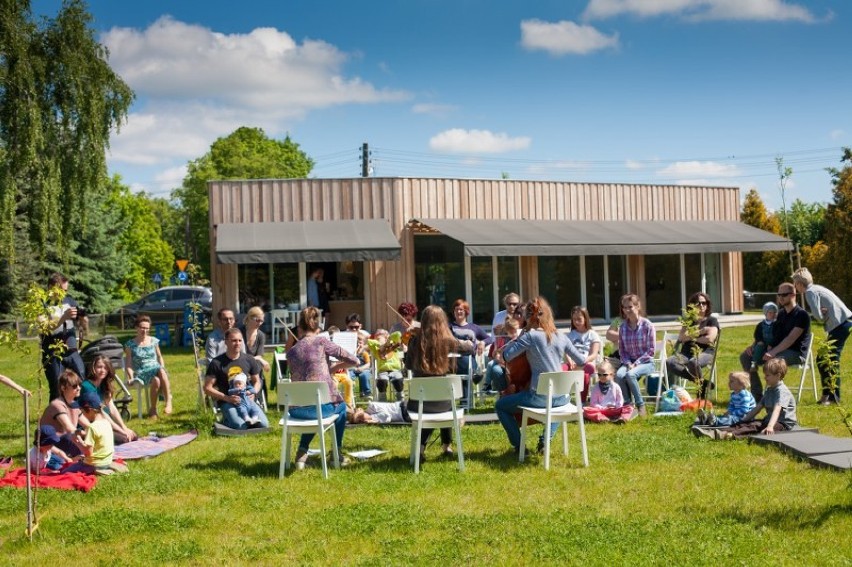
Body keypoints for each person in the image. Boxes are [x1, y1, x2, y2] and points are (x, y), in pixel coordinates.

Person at [496, 297, 585, 455]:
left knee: (500, 406)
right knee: (556, 402)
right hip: (563, 397)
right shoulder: (562, 336)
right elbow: (581, 360)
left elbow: (507, 356)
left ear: (529, 316)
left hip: (539, 397)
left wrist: (522, 335)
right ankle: (545, 441)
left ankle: (520, 446)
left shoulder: (531, 336)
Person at [285, 306, 358, 469]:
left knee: (314, 407)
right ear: (318, 326)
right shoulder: (322, 341)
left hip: (296, 410)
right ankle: (336, 454)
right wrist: (332, 368)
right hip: (318, 407)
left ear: (299, 327)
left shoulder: (290, 352)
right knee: (340, 406)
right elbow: (354, 360)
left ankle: (302, 453)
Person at [404, 305, 474, 461]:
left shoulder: (415, 341)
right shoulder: (448, 341)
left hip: (418, 404)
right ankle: (446, 445)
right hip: (444, 405)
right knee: (446, 399)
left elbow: (408, 365)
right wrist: (464, 340)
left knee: (428, 404)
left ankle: (421, 448)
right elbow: (470, 349)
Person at [739, 282, 810, 402]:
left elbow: (790, 339)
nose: (781, 297)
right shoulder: (781, 314)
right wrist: (754, 346)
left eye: (784, 294)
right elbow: (768, 333)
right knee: (746, 357)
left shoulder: (802, 315)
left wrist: (772, 352)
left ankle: (774, 397)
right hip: (775, 350)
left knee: (773, 361)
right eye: (779, 294)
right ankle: (757, 395)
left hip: (795, 353)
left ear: (793, 295)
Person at [792, 267, 851, 405]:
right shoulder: (817, 288)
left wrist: (819, 313)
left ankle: (833, 397)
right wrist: (822, 311)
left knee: (829, 360)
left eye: (795, 284)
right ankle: (827, 395)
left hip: (840, 325)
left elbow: (818, 317)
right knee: (823, 359)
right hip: (844, 323)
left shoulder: (809, 293)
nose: (796, 288)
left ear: (800, 284)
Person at [204, 328, 270, 430]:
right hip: (227, 402)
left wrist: (254, 392)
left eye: (240, 340)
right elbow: (207, 388)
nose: (237, 343)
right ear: (226, 342)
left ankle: (238, 419)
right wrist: (227, 398)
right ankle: (224, 421)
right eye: (234, 340)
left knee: (264, 425)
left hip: (248, 401)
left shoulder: (249, 359)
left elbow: (257, 381)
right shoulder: (216, 363)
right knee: (240, 426)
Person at [714, 358, 797, 439]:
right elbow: (758, 407)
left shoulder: (782, 392)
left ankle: (729, 435)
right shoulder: (769, 390)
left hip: (782, 423)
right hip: (769, 420)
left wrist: (770, 426)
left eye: (767, 375)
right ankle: (721, 431)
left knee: (755, 427)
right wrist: (744, 420)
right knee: (749, 423)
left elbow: (777, 409)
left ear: (778, 375)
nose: (765, 377)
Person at [40, 272, 85, 400]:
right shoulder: (42, 303)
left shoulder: (69, 300)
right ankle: (54, 417)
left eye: (65, 290)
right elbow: (45, 327)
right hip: (52, 351)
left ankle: (76, 411)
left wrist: (83, 319)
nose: (64, 293)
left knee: (81, 379)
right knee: (57, 386)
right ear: (50, 287)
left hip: (71, 349)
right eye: (61, 290)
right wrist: (63, 317)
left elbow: (80, 321)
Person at [665, 292, 720, 398]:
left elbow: (709, 339)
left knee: (694, 362)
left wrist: (691, 336)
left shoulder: (712, 320)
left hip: (706, 352)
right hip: (686, 352)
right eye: (698, 303)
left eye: (704, 303)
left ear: (707, 305)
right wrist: (701, 332)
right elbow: (681, 338)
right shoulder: (689, 320)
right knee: (670, 362)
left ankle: (701, 393)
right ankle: (702, 383)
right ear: (692, 305)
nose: (701, 306)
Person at [65, 392, 129, 475]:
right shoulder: (106, 423)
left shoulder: (92, 427)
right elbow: (99, 439)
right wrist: (84, 434)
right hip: (106, 462)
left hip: (93, 464)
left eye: (83, 411)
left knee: (65, 471)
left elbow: (88, 453)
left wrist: (77, 441)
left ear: (90, 410)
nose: (83, 415)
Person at [615, 293, 656, 417]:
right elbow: (622, 351)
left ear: (638, 306)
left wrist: (636, 363)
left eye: (630, 307)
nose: (627, 310)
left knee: (630, 374)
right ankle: (628, 406)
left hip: (646, 363)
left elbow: (651, 350)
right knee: (619, 375)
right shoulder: (622, 328)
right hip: (629, 362)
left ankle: (640, 405)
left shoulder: (647, 325)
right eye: (624, 307)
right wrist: (628, 363)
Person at [124, 315, 173, 418]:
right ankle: (167, 400)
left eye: (147, 328)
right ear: (137, 327)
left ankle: (155, 409)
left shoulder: (154, 341)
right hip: (141, 372)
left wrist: (162, 366)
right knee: (160, 370)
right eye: (142, 327)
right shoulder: (130, 345)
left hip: (155, 369)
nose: (144, 330)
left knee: (157, 380)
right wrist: (130, 377)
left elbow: (159, 357)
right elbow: (128, 363)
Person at [82, 355, 137, 444]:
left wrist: (124, 427)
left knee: (133, 436)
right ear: (93, 368)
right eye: (99, 367)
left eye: (105, 368)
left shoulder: (104, 385)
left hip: (106, 424)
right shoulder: (87, 387)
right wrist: (122, 431)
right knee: (124, 438)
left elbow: (112, 409)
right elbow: (102, 414)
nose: (102, 370)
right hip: (93, 425)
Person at [39, 369, 87, 457]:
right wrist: (84, 442)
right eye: (74, 386)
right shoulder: (57, 405)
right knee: (70, 437)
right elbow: (70, 429)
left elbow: (87, 425)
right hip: (51, 444)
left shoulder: (73, 404)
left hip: (66, 440)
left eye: (79, 385)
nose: (79, 388)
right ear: (63, 388)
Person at [449, 299, 493, 391]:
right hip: (453, 360)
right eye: (456, 309)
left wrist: (482, 342)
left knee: (466, 363)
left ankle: (465, 399)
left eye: (461, 309)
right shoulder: (449, 327)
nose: (458, 311)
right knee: (465, 365)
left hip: (469, 359)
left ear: (466, 311)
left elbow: (490, 338)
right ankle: (475, 375)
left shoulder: (474, 327)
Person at [565, 305, 602, 402]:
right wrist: (570, 360)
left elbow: (593, 354)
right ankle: (561, 399)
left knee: (585, 374)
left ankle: (581, 401)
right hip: (572, 363)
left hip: (586, 362)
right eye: (574, 319)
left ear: (585, 318)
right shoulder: (570, 335)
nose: (576, 322)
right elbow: (566, 351)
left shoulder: (592, 334)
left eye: (579, 319)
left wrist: (581, 362)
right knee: (560, 369)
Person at [240, 306, 270, 407]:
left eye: (262, 321)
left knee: (257, 374)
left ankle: (252, 401)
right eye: (257, 320)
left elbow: (259, 355)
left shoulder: (261, 335)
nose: (260, 323)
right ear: (249, 318)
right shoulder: (239, 333)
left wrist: (259, 359)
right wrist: (260, 360)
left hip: (254, 368)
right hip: (239, 365)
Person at [484, 317, 521, 393]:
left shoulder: (520, 339)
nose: (514, 334)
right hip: (503, 362)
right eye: (511, 332)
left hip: (513, 363)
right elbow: (495, 353)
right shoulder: (503, 339)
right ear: (507, 332)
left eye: (515, 332)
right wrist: (497, 354)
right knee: (492, 365)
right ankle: (490, 385)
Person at [367, 329, 405, 401]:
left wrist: (389, 339)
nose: (377, 339)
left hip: (395, 369)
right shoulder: (375, 348)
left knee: (398, 379)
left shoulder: (393, 344)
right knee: (382, 381)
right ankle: (382, 400)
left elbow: (398, 333)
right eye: (376, 338)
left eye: (379, 338)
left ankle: (400, 400)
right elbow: (369, 342)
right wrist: (381, 345)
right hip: (382, 371)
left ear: (386, 337)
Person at [748, 302, 778, 368]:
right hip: (762, 342)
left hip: (773, 343)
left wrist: (772, 344)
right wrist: (759, 340)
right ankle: (754, 363)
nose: (772, 315)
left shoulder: (777, 324)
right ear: (765, 313)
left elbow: (777, 336)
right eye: (770, 313)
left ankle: (769, 365)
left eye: (774, 313)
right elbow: (757, 334)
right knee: (758, 348)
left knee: (771, 352)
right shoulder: (761, 325)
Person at [350, 330, 373, 400]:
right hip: (353, 369)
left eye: (360, 343)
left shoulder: (364, 353)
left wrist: (362, 368)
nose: (358, 345)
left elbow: (368, 364)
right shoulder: (352, 353)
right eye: (356, 343)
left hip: (364, 369)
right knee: (348, 375)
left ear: (364, 344)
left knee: (364, 375)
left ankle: (366, 392)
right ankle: (350, 392)